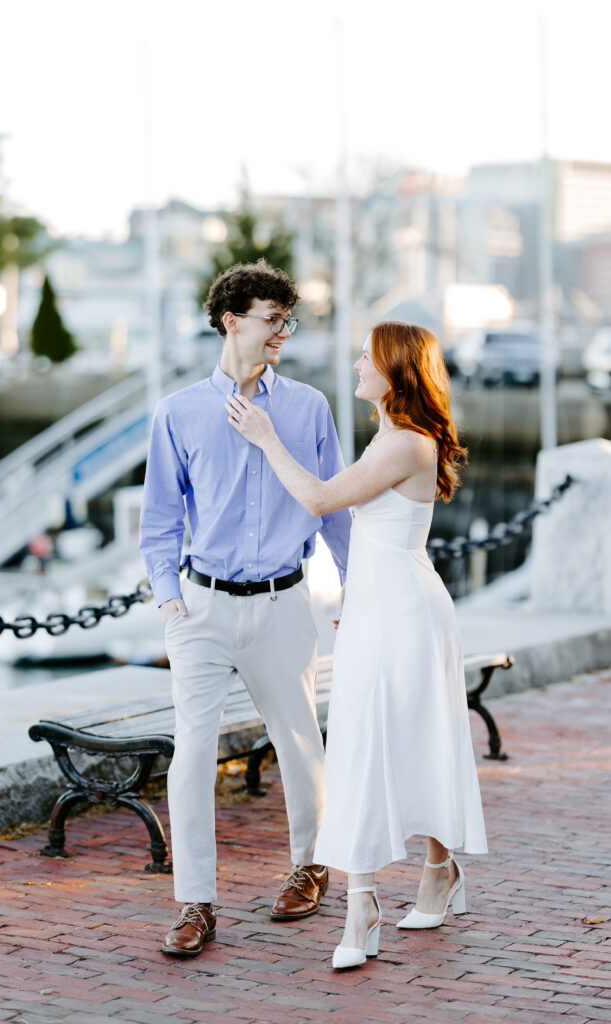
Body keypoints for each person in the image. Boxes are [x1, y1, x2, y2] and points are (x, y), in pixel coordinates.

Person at [226, 320, 488, 970]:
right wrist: (352, 602)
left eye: (364, 358)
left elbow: (318, 499)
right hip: (377, 611)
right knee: (372, 747)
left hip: (406, 615)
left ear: (395, 371)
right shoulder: (388, 438)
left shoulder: (404, 444)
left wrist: (265, 438)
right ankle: (416, 877)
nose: (353, 366)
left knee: (385, 748)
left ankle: (373, 900)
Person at [139, 260, 352, 957]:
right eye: (270, 320)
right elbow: (160, 521)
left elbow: (335, 513)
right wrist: (170, 602)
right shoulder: (177, 412)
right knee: (192, 752)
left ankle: (309, 864)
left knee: (298, 740)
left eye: (286, 323)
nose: (280, 334)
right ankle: (195, 903)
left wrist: (353, 593)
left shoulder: (308, 407)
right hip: (202, 608)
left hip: (285, 601)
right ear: (231, 320)